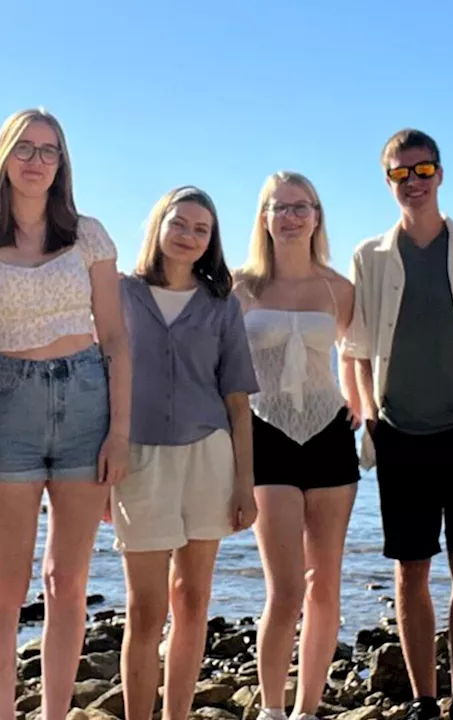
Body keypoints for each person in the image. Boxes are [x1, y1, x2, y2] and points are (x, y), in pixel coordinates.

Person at [0, 108, 131, 720]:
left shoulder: (89, 235)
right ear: (3, 157)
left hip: (87, 401)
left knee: (66, 582)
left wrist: (121, 431)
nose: (36, 160)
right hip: (9, 407)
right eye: (24, 148)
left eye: (48, 150)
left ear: (62, 163)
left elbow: (116, 339)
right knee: (5, 587)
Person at [343, 129, 453, 720]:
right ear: (387, 180)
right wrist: (370, 421)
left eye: (422, 170)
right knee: (410, 568)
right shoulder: (370, 257)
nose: (412, 182)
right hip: (401, 433)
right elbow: (356, 349)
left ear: (440, 174)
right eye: (400, 173)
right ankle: (424, 700)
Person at [113, 186, 259, 720]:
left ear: (211, 241)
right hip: (138, 460)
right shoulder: (119, 293)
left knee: (193, 600)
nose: (189, 236)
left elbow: (238, 403)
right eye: (180, 224)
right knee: (144, 608)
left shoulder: (222, 305)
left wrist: (245, 485)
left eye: (201, 230)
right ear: (159, 224)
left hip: (209, 459)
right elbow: (99, 380)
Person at [233, 172, 360, 720]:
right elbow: (223, 369)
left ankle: (308, 709)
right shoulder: (240, 287)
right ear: (263, 217)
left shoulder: (340, 289)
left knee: (324, 584)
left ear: (316, 216)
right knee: (285, 589)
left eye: (300, 207)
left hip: (330, 434)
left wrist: (361, 401)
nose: (290, 216)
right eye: (279, 207)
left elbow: (359, 355)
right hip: (266, 437)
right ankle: (273, 710)